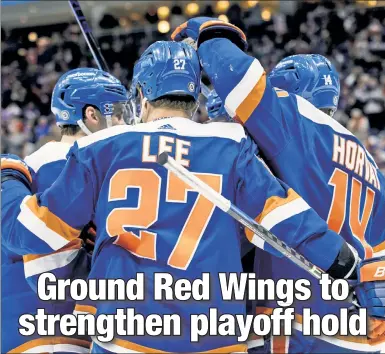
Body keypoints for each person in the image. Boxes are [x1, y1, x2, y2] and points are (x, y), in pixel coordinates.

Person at [1, 41, 362, 353]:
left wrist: (10, 178)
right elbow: (279, 217)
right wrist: (337, 257)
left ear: (141, 95)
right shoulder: (229, 143)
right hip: (214, 333)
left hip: (126, 331)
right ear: (195, 98)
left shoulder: (102, 146)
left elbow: (33, 233)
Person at [172, 17, 385, 353]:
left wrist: (209, 35)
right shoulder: (367, 160)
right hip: (360, 331)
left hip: (302, 328)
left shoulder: (293, 123)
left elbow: (239, 76)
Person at [1, 67, 128, 354]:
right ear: (92, 116)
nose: (123, 121)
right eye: (117, 112)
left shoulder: (34, 166)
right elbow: (50, 272)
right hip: (55, 333)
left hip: (23, 325)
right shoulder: (66, 166)